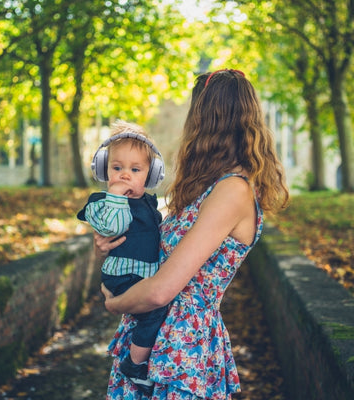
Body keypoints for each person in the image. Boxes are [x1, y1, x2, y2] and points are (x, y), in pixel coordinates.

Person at [98, 69, 290, 400]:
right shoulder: (208, 186)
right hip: (156, 336)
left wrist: (116, 304)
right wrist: (112, 240)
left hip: (181, 347)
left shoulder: (233, 190)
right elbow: (156, 254)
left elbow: (160, 292)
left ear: (207, 118)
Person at [77, 120, 168, 395]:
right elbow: (113, 227)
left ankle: (139, 357)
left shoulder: (149, 202)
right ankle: (135, 364)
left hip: (141, 274)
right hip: (124, 275)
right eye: (117, 168)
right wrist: (115, 195)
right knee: (155, 312)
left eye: (135, 170)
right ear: (105, 170)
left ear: (149, 177)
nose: (125, 175)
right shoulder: (101, 202)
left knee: (153, 315)